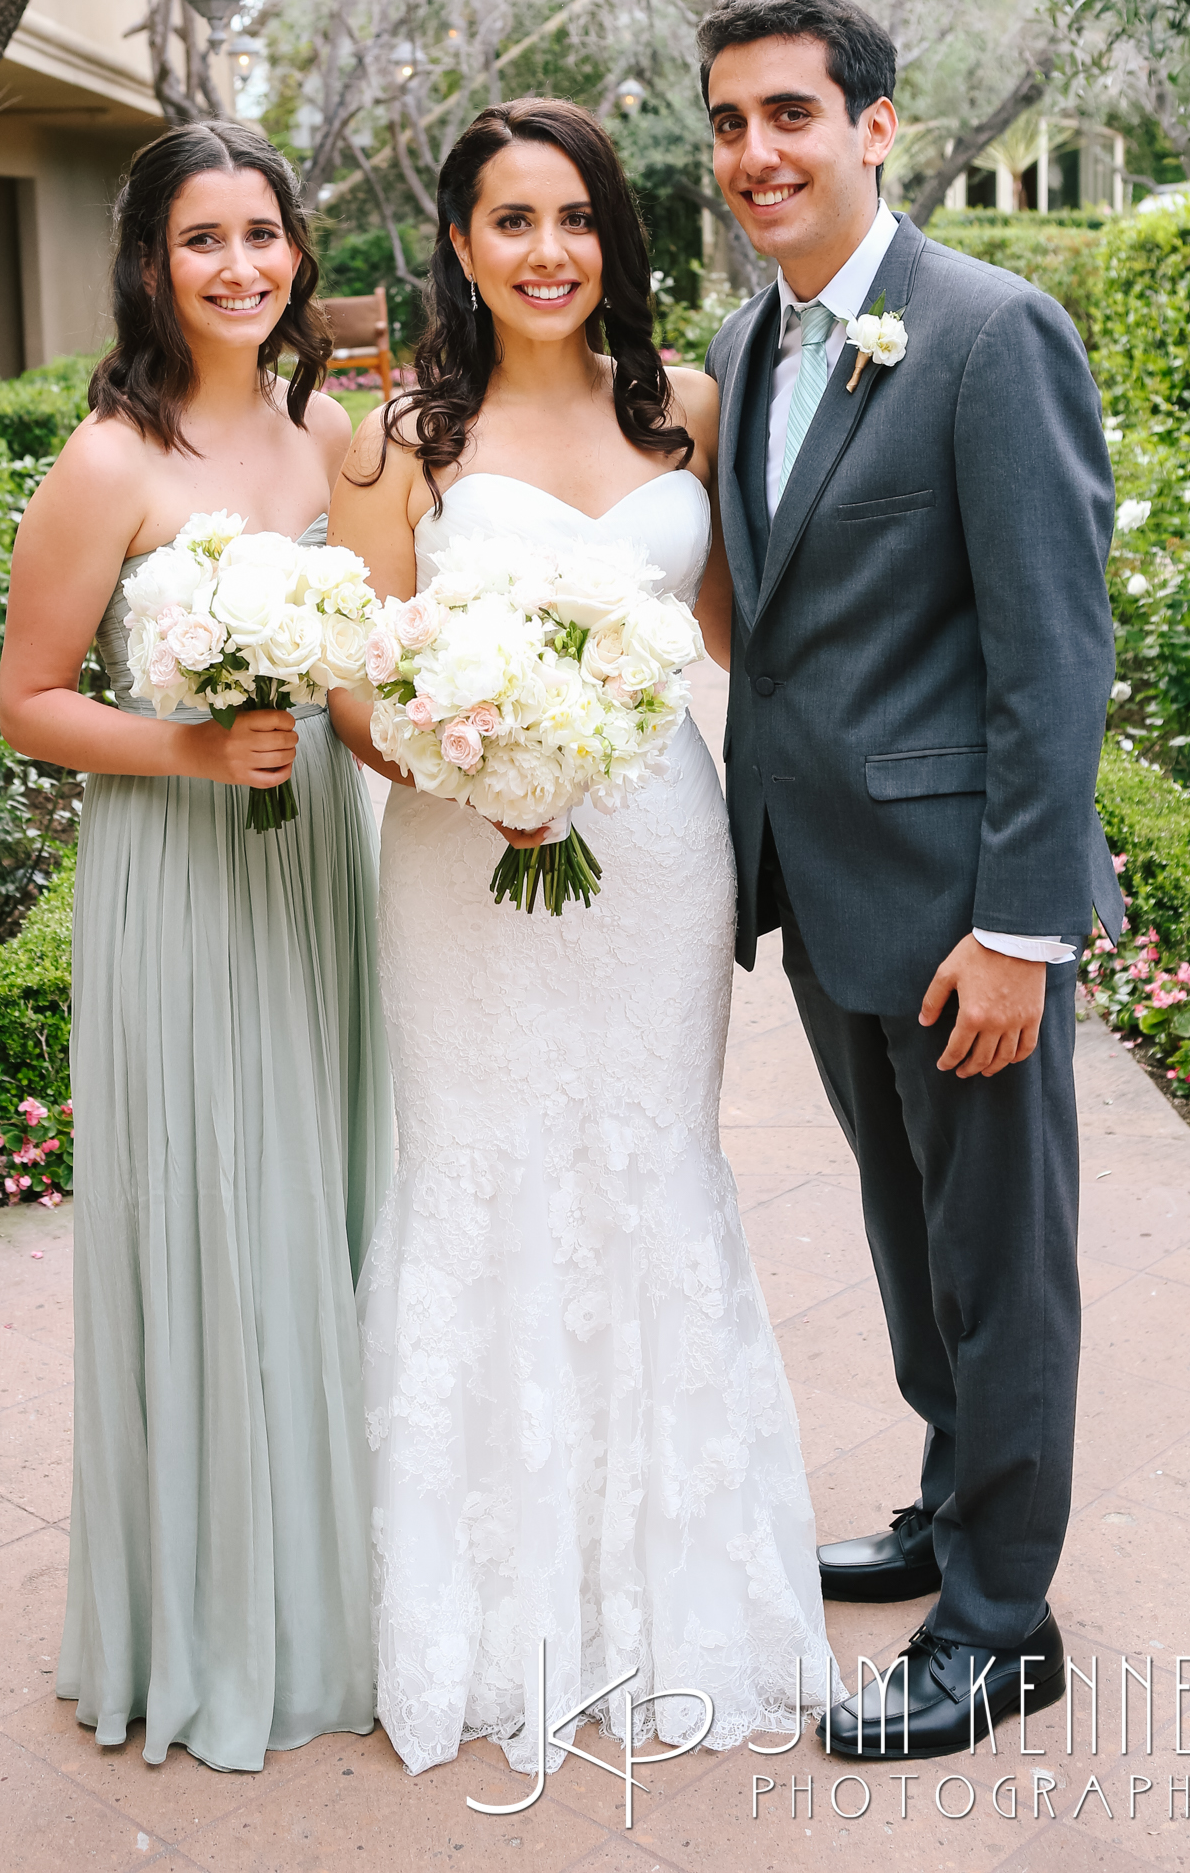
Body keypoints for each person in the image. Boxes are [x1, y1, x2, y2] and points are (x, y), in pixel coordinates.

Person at [328, 95, 842, 1780]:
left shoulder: (685, 407)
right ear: (462, 247)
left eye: (575, 220)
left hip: (656, 861)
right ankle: (477, 1608)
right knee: (476, 1165)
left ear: (614, 239)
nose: (547, 252)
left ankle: (666, 1597)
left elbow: (743, 636)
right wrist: (467, 760)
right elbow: (353, 680)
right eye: (509, 221)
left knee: (648, 1166)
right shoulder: (400, 439)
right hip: (461, 856)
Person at [700, 0, 1121, 1759]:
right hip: (825, 891)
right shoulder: (746, 347)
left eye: (789, 115)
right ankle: (954, 1512)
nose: (753, 155)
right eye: (725, 124)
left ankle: (1003, 1621)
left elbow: (1053, 657)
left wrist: (1023, 927)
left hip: (968, 913)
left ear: (875, 125)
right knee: (905, 1231)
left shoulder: (985, 330)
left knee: (1000, 1256)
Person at [0, 120, 393, 1773]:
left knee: (328, 1197)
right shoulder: (111, 460)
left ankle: (346, 1584)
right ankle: (212, 1615)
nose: (242, 267)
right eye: (202, 241)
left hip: (316, 868)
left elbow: (377, 670)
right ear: (152, 266)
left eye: (264, 235)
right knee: (216, 1220)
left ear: (297, 250)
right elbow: (28, 703)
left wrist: (487, 756)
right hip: (179, 872)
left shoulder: (341, 442)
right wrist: (187, 749)